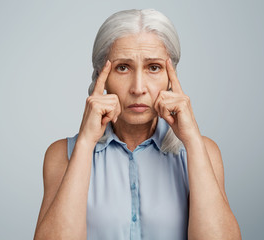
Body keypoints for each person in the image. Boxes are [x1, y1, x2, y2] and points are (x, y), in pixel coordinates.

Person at [34, 9, 241, 240]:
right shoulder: (61, 155)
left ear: (171, 77)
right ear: (101, 78)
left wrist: (192, 139)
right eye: (123, 67)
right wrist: (85, 143)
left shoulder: (205, 152)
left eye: (154, 67)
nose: (138, 87)